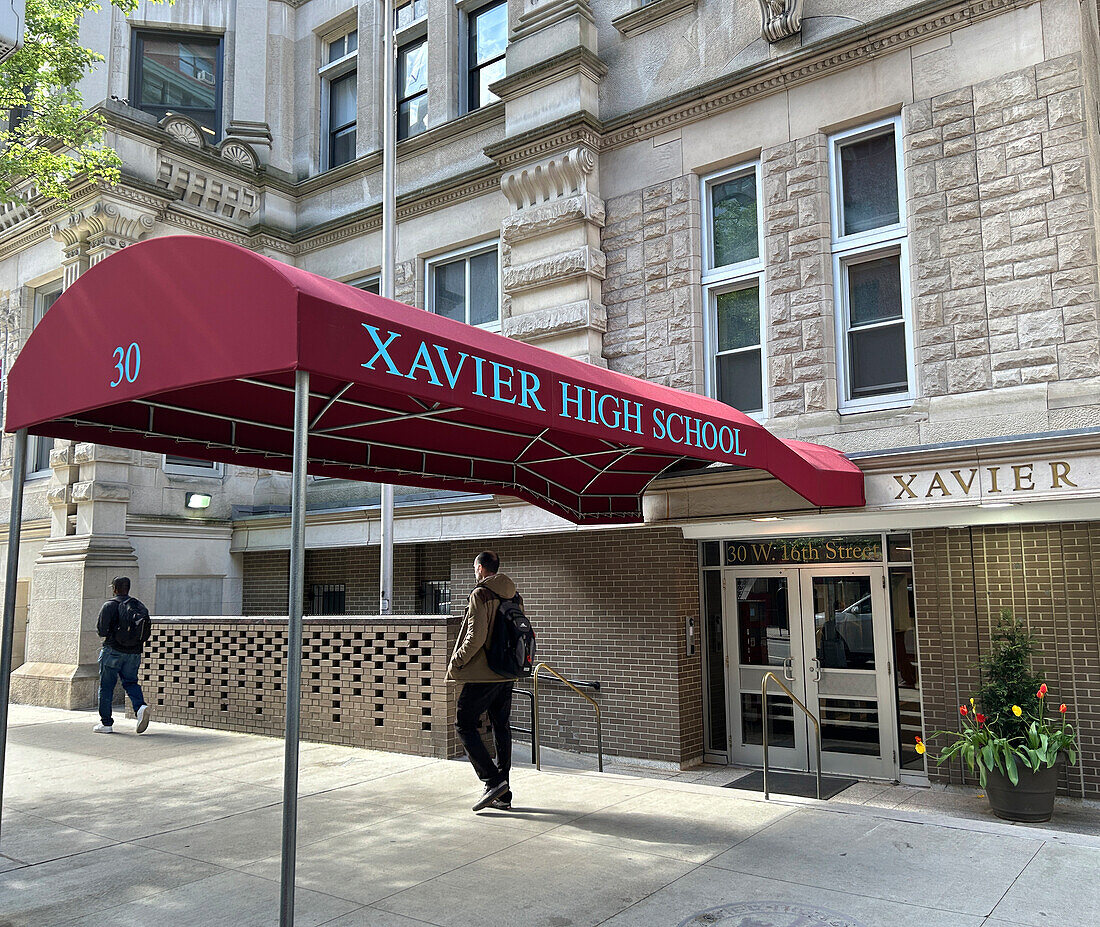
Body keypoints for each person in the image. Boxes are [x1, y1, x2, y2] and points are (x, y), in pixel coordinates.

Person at [448, 550, 519, 811]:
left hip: (483, 672)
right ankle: (503, 794)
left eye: (474, 568)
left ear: (480, 569)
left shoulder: (481, 593)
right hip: (508, 671)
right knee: (501, 726)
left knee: (464, 722)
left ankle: (492, 781)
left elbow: (475, 637)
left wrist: (457, 660)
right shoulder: (514, 594)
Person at [94, 576, 152, 734]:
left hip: (112, 651)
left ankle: (106, 724)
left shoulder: (109, 605)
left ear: (114, 589)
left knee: (106, 687)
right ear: (128, 588)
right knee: (131, 683)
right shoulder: (138, 605)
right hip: (134, 653)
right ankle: (140, 707)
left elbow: (102, 631)